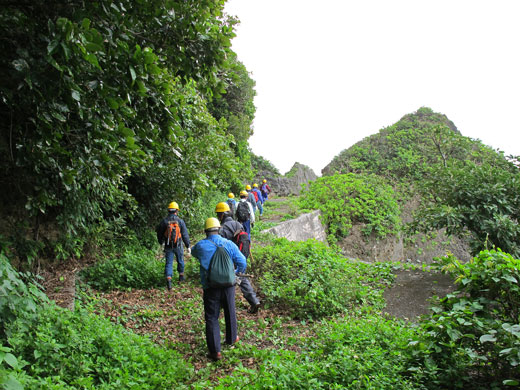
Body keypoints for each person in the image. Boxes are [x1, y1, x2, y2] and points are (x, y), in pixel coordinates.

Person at [191, 217, 246, 361]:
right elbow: (242, 261)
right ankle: (232, 338)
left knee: (211, 317)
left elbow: (193, 253)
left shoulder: (201, 246)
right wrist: (235, 273)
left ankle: (215, 351)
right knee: (230, 311)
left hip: (211, 286)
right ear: (219, 229)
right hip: (228, 285)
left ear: (205, 231)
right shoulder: (228, 244)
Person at [215, 202, 261, 314]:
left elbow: (220, 245)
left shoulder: (223, 228)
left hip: (231, 258)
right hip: (241, 256)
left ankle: (222, 304)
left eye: (218, 214)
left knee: (224, 280)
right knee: (241, 278)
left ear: (221, 215)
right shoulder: (237, 224)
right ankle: (254, 301)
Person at [156, 201, 190, 290]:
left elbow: (159, 233)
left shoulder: (164, 221)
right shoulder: (180, 221)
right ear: (176, 211)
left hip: (168, 246)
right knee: (180, 260)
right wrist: (188, 245)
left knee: (169, 263)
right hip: (178, 244)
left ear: (169, 211)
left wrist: (161, 242)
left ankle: (169, 279)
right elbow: (185, 234)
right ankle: (181, 276)